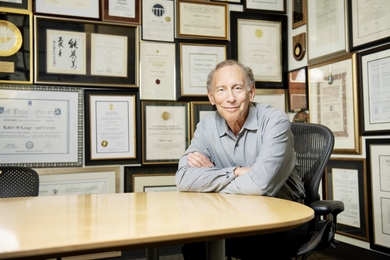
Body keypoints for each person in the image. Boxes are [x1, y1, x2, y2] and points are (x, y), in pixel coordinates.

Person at [175, 60, 310, 259]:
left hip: (281, 219)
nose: (230, 98)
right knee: (195, 245)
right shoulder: (206, 126)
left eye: (237, 88)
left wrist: (210, 183)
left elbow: (259, 185)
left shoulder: (275, 121)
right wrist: (236, 171)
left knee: (259, 247)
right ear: (211, 97)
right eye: (221, 90)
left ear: (251, 92)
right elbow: (184, 179)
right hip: (230, 216)